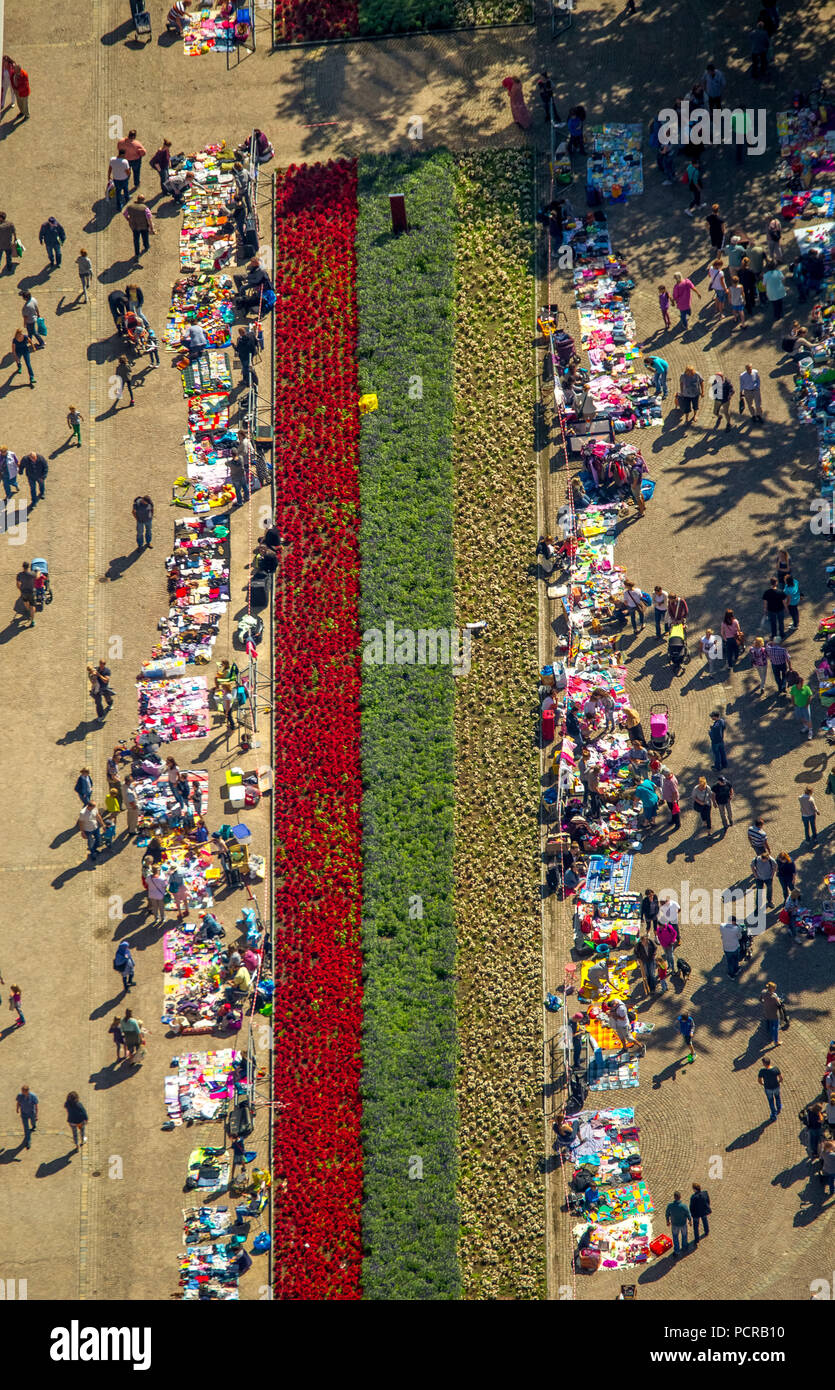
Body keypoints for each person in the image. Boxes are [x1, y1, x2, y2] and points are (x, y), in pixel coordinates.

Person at [760, 981, 783, 1048]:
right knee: (775, 1027)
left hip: (767, 1012)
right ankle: (776, 1041)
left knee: (769, 1022)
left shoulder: (763, 992)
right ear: (773, 989)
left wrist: (765, 1004)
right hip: (774, 1014)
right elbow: (779, 1004)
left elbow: (760, 999)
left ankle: (769, 1031)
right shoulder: (774, 996)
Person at [719, 914, 742, 979]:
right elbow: (739, 937)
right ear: (733, 922)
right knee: (735, 959)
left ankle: (732, 974)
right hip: (735, 947)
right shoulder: (736, 928)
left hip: (726, 948)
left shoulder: (722, 926)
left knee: (730, 961)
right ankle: (735, 970)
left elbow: (722, 933)